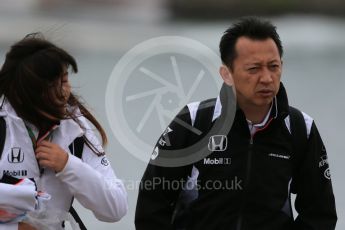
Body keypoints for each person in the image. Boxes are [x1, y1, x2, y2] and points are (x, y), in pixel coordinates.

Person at [135, 17, 337, 230]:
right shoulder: (192, 121)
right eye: (254, 69)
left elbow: (319, 214)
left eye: (273, 66)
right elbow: (152, 204)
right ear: (227, 74)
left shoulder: (300, 128)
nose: (267, 78)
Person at [0, 34, 128, 230]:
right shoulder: (3, 126)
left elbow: (115, 208)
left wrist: (68, 166)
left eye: (65, 80)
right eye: (53, 85)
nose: (64, 91)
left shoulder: (76, 128)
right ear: (25, 91)